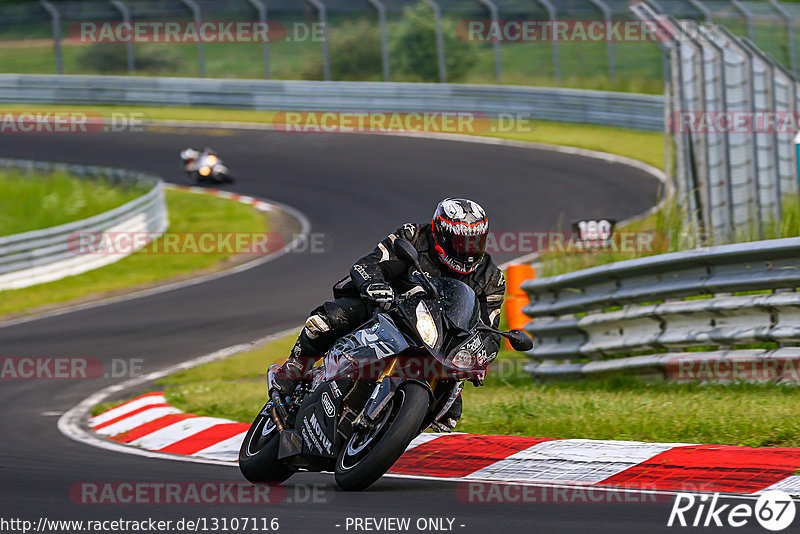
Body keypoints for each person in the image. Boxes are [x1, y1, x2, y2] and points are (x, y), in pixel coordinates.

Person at [270, 198, 506, 430]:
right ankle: (293, 371)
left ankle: (392, 425)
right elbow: (370, 263)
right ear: (441, 235)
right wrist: (374, 284)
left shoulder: (491, 279)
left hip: (439, 342)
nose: (469, 251)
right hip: (388, 309)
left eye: (476, 241)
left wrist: (479, 356)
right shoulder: (414, 236)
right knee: (324, 323)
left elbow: (489, 330)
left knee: (449, 412)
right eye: (460, 242)